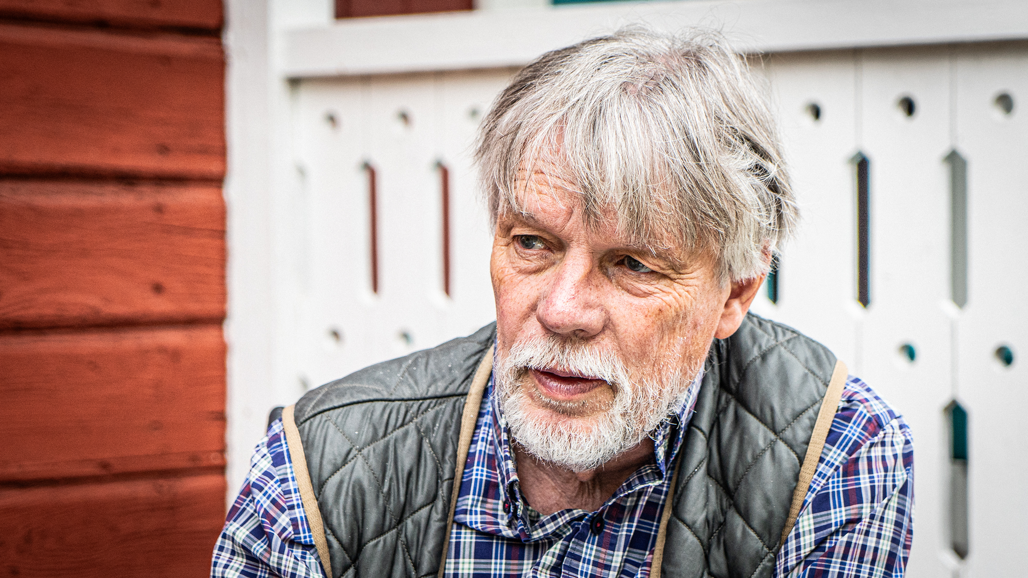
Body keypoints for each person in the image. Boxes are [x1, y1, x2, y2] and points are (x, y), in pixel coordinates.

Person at [212, 28, 913, 578]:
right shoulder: (315, 472)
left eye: (633, 263)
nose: (562, 310)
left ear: (735, 292)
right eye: (533, 243)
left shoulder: (836, 457)